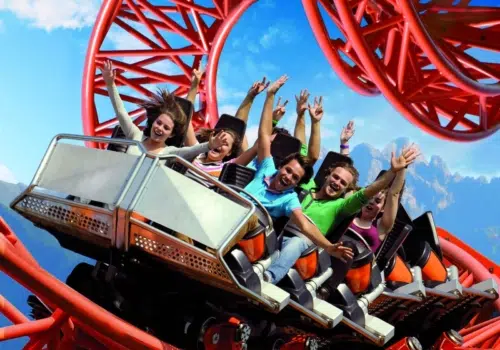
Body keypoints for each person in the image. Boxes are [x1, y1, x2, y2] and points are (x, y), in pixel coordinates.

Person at [234, 74, 354, 270]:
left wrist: (329, 247)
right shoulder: (267, 168)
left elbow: (306, 226)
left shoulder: (290, 199)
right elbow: (264, 136)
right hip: (231, 209)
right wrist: (270, 95)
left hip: (251, 227)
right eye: (288, 170)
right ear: (281, 166)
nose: (288, 177)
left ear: (297, 183)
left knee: (249, 217)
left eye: (295, 178)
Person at [264, 145, 420, 284]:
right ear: (327, 175)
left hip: (306, 247)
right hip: (279, 232)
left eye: (343, 183)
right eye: (335, 177)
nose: (337, 182)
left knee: (296, 243)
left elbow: (375, 193)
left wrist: (395, 171)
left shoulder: (340, 207)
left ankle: (269, 278)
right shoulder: (307, 186)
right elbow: (306, 156)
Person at [100, 60, 227, 159]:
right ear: (153, 121)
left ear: (171, 134)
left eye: (166, 128)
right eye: (159, 123)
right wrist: (110, 84)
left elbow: (192, 150)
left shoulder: (169, 152)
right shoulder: (136, 136)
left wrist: (210, 145)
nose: (160, 128)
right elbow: (121, 112)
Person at [350, 167, 407, 252]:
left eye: (377, 201)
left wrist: (403, 167)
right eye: (370, 197)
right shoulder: (350, 212)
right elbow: (348, 181)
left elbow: (394, 194)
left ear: (383, 208)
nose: (371, 202)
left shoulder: (381, 227)